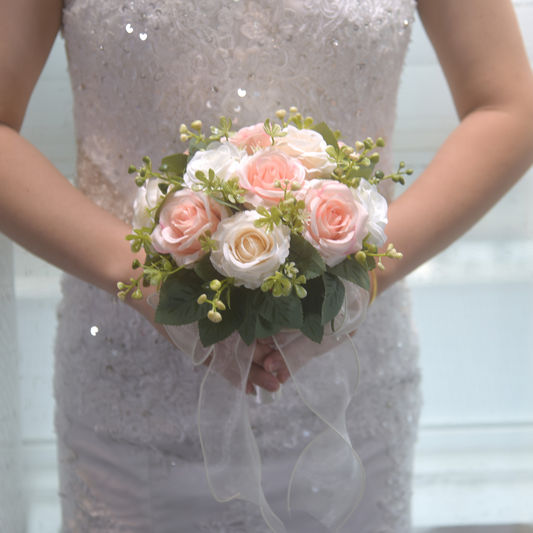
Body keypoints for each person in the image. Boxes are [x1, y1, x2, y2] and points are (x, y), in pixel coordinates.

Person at [1, 0, 532, 531]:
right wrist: (141, 274)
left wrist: (366, 278)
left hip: (349, 395)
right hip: (132, 400)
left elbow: (508, 105)